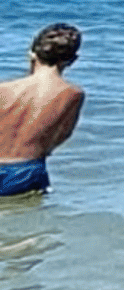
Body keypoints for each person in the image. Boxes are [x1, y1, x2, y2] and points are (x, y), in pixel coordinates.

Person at [0, 25, 86, 198]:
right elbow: (63, 134)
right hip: (26, 169)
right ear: (72, 60)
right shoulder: (72, 94)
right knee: (22, 222)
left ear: (32, 52)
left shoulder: (4, 89)